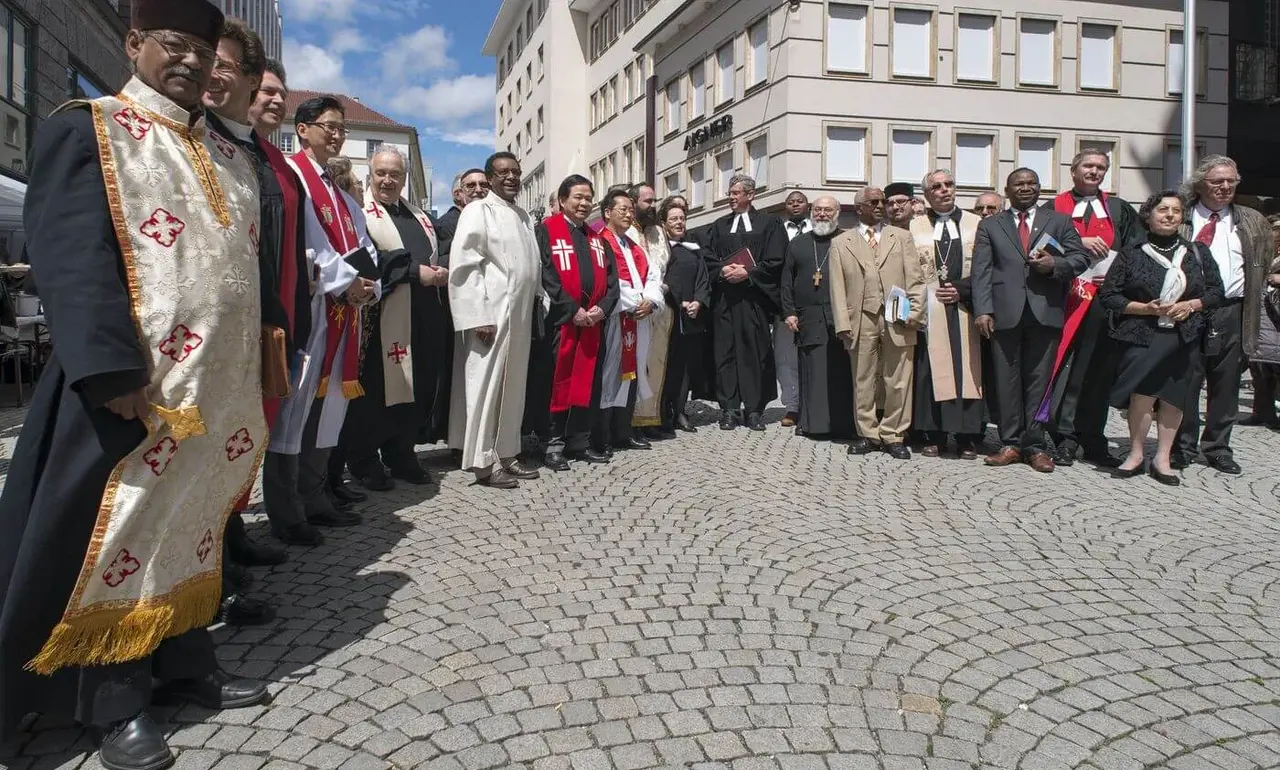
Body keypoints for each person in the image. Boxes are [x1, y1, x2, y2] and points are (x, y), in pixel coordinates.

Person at [0, 3, 270, 766]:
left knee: (194, 524)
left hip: (210, 391)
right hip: (132, 390)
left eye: (201, 52)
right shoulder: (92, 125)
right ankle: (113, 705)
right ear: (135, 44)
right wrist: (110, 368)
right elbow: (69, 254)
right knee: (124, 537)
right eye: (172, 46)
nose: (188, 62)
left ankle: (186, 667)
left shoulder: (223, 151)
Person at [203, 20, 296, 627]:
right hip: (206, 330)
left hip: (261, 314)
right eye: (261, 89)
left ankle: (228, 548)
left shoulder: (252, 154)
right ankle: (213, 571)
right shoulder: (207, 141)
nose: (269, 101)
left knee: (234, 443)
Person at [266, 95, 378, 544]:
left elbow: (366, 250)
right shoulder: (293, 176)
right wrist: (347, 281)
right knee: (295, 410)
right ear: (303, 128)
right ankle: (286, 508)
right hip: (312, 310)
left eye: (341, 127)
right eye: (328, 125)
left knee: (329, 409)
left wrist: (370, 286)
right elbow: (309, 243)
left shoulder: (340, 194)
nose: (336, 134)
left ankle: (314, 495)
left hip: (344, 315)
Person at [1099, 190, 1224, 486]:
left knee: (1174, 398)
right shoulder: (1132, 253)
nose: (1169, 215)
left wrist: (1190, 305)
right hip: (1143, 335)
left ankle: (1163, 458)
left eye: (1176, 211)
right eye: (1162, 210)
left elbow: (1216, 292)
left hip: (1184, 336)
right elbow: (1110, 296)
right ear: (1149, 215)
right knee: (1142, 396)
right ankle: (1136, 454)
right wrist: (1144, 309)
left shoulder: (1197, 252)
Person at [972, 168, 1090, 473]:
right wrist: (983, 309)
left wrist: (1055, 265)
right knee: (1006, 380)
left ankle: (1035, 445)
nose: (1026, 188)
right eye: (1019, 184)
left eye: (1032, 184)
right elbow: (982, 270)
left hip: (1045, 312)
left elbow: (1080, 259)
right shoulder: (991, 225)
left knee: (1039, 382)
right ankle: (1010, 443)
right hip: (1004, 312)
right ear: (1007, 190)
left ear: (1040, 189)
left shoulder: (1060, 221)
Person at [343, 148, 444, 488]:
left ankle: (401, 453)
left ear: (404, 178)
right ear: (370, 175)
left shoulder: (417, 215)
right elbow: (372, 261)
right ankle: (364, 458)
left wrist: (437, 268)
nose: (387, 180)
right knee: (375, 389)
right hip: (379, 317)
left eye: (395, 175)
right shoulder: (360, 214)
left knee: (415, 386)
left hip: (420, 314)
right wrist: (417, 272)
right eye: (381, 173)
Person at [1043, 150, 1143, 467]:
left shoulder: (1118, 208)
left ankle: (1093, 437)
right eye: (1088, 165)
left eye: (1101, 167)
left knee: (1098, 373)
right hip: (1063, 300)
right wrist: (1077, 241)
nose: (1094, 171)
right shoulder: (1053, 207)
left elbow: (1136, 251)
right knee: (1066, 373)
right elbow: (1034, 245)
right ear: (1073, 171)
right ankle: (1064, 436)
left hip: (1104, 304)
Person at [448, 152, 543, 488]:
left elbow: (531, 262)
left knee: (512, 387)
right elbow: (464, 265)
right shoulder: (478, 210)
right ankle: (483, 461)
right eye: (503, 173)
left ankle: (506, 452)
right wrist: (477, 316)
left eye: (516, 172)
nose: (512, 178)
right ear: (490, 178)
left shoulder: (521, 215)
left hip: (518, 314)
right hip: (492, 312)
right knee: (485, 387)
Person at [1174, 155, 1273, 474]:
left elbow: (1262, 261)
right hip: (1187, 309)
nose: (1225, 187)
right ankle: (1182, 445)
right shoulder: (1183, 215)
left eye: (1231, 181)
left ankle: (1217, 446)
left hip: (1232, 310)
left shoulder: (1252, 219)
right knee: (1186, 380)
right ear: (1201, 183)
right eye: (1218, 181)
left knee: (1226, 383)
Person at [832, 187, 926, 458]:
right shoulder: (842, 242)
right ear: (858, 207)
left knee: (898, 379)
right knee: (863, 379)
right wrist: (842, 323)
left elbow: (915, 279)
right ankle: (868, 434)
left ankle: (894, 434)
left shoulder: (902, 237)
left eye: (881, 202)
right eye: (872, 202)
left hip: (898, 317)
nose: (879, 206)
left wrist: (916, 313)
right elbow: (837, 286)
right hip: (860, 318)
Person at [539, 175, 618, 471]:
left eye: (588, 198)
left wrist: (601, 309)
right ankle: (553, 444)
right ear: (562, 200)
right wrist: (572, 310)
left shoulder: (597, 239)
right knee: (558, 383)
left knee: (588, 384)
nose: (585, 203)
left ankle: (578, 441)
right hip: (561, 323)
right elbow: (546, 275)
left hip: (592, 325)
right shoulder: (547, 232)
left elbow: (613, 283)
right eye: (578, 197)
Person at [908, 171, 987, 458]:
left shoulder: (976, 224)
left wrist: (963, 291)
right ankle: (936, 434)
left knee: (968, 369)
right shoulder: (913, 226)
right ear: (927, 194)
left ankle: (967, 437)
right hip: (929, 309)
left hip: (966, 307)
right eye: (936, 187)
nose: (944, 190)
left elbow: (986, 267)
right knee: (931, 371)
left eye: (949, 184)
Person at [703, 174, 786, 431]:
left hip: (754, 300)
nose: (731, 197)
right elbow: (707, 256)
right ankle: (729, 409)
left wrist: (748, 274)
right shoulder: (718, 225)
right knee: (724, 353)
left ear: (750, 195)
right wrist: (723, 270)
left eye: (736, 193)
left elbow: (776, 260)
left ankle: (753, 410)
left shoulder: (770, 224)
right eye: (730, 193)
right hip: (725, 301)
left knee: (755, 353)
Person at [597, 188, 666, 451]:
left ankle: (623, 431)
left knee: (632, 373)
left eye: (629, 209)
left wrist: (650, 301)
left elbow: (652, 277)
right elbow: (607, 282)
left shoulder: (633, 245)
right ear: (607, 213)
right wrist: (636, 302)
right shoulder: (600, 242)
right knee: (610, 375)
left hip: (638, 319)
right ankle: (602, 434)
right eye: (622, 209)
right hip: (615, 319)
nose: (628, 214)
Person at [781, 196, 853, 439]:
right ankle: (813, 425)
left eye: (828, 210)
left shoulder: (847, 240)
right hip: (807, 317)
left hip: (841, 316)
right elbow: (786, 281)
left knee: (840, 371)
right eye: (818, 210)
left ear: (837, 213)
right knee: (811, 372)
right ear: (812, 212)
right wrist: (789, 312)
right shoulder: (798, 243)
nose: (822, 214)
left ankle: (843, 425)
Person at [658, 198, 711, 434]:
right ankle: (661, 413)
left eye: (682, 219)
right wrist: (678, 301)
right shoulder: (661, 250)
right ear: (664, 223)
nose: (679, 223)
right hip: (667, 315)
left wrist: (698, 301)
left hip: (691, 318)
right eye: (674, 219)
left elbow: (703, 279)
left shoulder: (693, 249)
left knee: (686, 368)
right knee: (666, 366)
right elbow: (661, 281)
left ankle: (680, 411)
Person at [626, 182, 674, 438]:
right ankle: (629, 422)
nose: (653, 206)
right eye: (648, 201)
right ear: (633, 203)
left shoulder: (657, 230)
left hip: (658, 306)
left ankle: (650, 418)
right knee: (634, 364)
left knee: (655, 363)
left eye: (654, 201)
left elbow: (665, 265)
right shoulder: (626, 231)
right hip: (634, 309)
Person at [776, 190, 812, 427]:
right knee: (785, 357)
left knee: (812, 356)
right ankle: (792, 405)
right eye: (791, 202)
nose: (795, 205)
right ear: (785, 206)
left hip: (811, 301)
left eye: (800, 201)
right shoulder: (777, 231)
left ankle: (812, 404)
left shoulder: (818, 227)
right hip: (783, 302)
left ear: (807, 206)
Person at [1245, 215, 1280, 428]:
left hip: (1275, 319)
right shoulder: (1266, 254)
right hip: (1263, 316)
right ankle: (1262, 412)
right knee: (1260, 367)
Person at [434, 169, 489, 262]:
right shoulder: (446, 226)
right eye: (471, 185)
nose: (479, 190)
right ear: (458, 194)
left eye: (484, 185)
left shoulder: (491, 220)